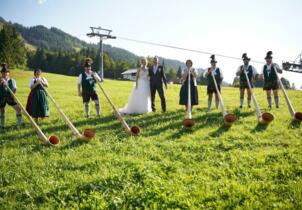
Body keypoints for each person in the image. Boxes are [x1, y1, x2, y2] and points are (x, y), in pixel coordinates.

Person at [0, 63, 22, 128]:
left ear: (8, 73)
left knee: (18, 109)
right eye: (3, 73)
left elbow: (15, 89)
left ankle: (19, 125)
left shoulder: (12, 80)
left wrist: (12, 94)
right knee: (2, 111)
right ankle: (2, 125)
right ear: (1, 74)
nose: (5, 75)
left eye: (6, 73)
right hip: (1, 97)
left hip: (10, 97)